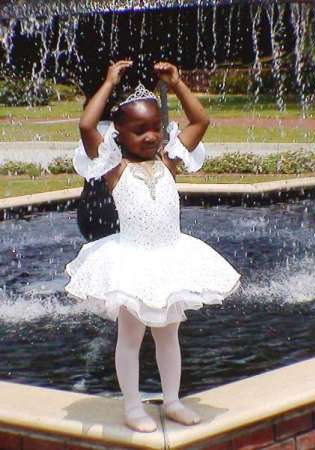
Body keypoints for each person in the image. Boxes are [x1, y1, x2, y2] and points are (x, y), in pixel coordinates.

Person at [65, 60, 241, 433]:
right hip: (132, 261)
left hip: (170, 258)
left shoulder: (168, 160)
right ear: (119, 136)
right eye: (139, 130)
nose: (151, 136)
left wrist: (177, 82)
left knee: (169, 334)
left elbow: (200, 122)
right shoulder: (113, 168)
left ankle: (173, 401)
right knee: (131, 337)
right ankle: (132, 406)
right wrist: (109, 81)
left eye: (156, 127)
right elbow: (85, 125)